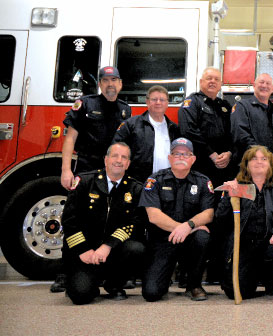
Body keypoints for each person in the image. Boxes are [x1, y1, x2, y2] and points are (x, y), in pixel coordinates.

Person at [54, 65, 131, 293]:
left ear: (120, 84)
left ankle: (108, 272)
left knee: (111, 220)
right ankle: (64, 273)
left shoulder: (126, 110)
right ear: (99, 84)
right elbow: (70, 138)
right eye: (105, 80)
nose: (110, 84)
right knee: (76, 219)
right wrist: (66, 170)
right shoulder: (85, 104)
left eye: (114, 80)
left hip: (113, 173)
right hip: (87, 171)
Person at [61, 142, 146, 304]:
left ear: (128, 164)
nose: (119, 160)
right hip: (84, 253)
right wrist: (83, 249)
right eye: (115, 156)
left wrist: (107, 246)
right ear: (106, 160)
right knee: (81, 296)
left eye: (124, 157)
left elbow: (133, 224)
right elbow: (69, 220)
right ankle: (88, 283)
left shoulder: (135, 189)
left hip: (112, 251)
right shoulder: (85, 182)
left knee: (137, 248)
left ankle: (113, 284)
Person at [215, 146, 273, 299]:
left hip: (271, 245)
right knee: (236, 292)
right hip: (244, 245)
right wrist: (229, 197)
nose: (259, 162)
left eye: (263, 159)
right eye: (254, 159)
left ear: (270, 164)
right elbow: (220, 220)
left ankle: (269, 281)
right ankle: (253, 280)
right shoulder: (237, 185)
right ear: (246, 164)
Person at [139, 138, 214, 302]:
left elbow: (208, 213)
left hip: (190, 240)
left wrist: (189, 226)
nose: (181, 157)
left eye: (186, 154)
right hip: (163, 240)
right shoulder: (155, 180)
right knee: (151, 293)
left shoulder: (203, 182)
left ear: (193, 159)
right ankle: (164, 279)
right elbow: (153, 215)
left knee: (203, 236)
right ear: (169, 157)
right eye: (177, 154)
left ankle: (193, 284)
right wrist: (182, 228)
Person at [178, 67, 234, 186]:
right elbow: (188, 131)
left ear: (220, 84)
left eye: (216, 79)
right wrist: (212, 154)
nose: (212, 81)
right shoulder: (192, 102)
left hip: (224, 165)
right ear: (201, 82)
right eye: (209, 78)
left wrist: (229, 153)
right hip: (200, 165)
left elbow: (233, 132)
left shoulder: (225, 105)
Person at [113, 85, 180, 182]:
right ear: (147, 102)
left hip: (168, 182)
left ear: (167, 103)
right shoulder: (131, 125)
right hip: (138, 183)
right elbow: (116, 151)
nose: (158, 102)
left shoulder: (174, 129)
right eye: (154, 99)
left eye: (162, 99)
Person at [231, 73, 273, 173]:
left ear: (272, 88)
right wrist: (264, 158)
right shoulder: (242, 106)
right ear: (254, 86)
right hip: (248, 168)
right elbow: (241, 136)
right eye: (261, 82)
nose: (264, 86)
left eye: (268, 83)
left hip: (271, 170)